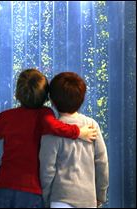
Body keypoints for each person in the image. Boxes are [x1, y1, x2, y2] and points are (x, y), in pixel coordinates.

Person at [0, 68, 97, 208]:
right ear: (45, 96)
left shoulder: (6, 117)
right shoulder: (44, 114)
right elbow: (55, 127)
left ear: (17, 93)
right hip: (31, 193)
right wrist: (79, 132)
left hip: (3, 189)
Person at [39, 72, 109, 208]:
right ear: (82, 98)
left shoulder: (51, 131)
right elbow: (102, 163)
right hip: (88, 199)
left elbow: (47, 170)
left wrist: (46, 198)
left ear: (52, 100)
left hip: (60, 199)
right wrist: (100, 194)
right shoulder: (92, 125)